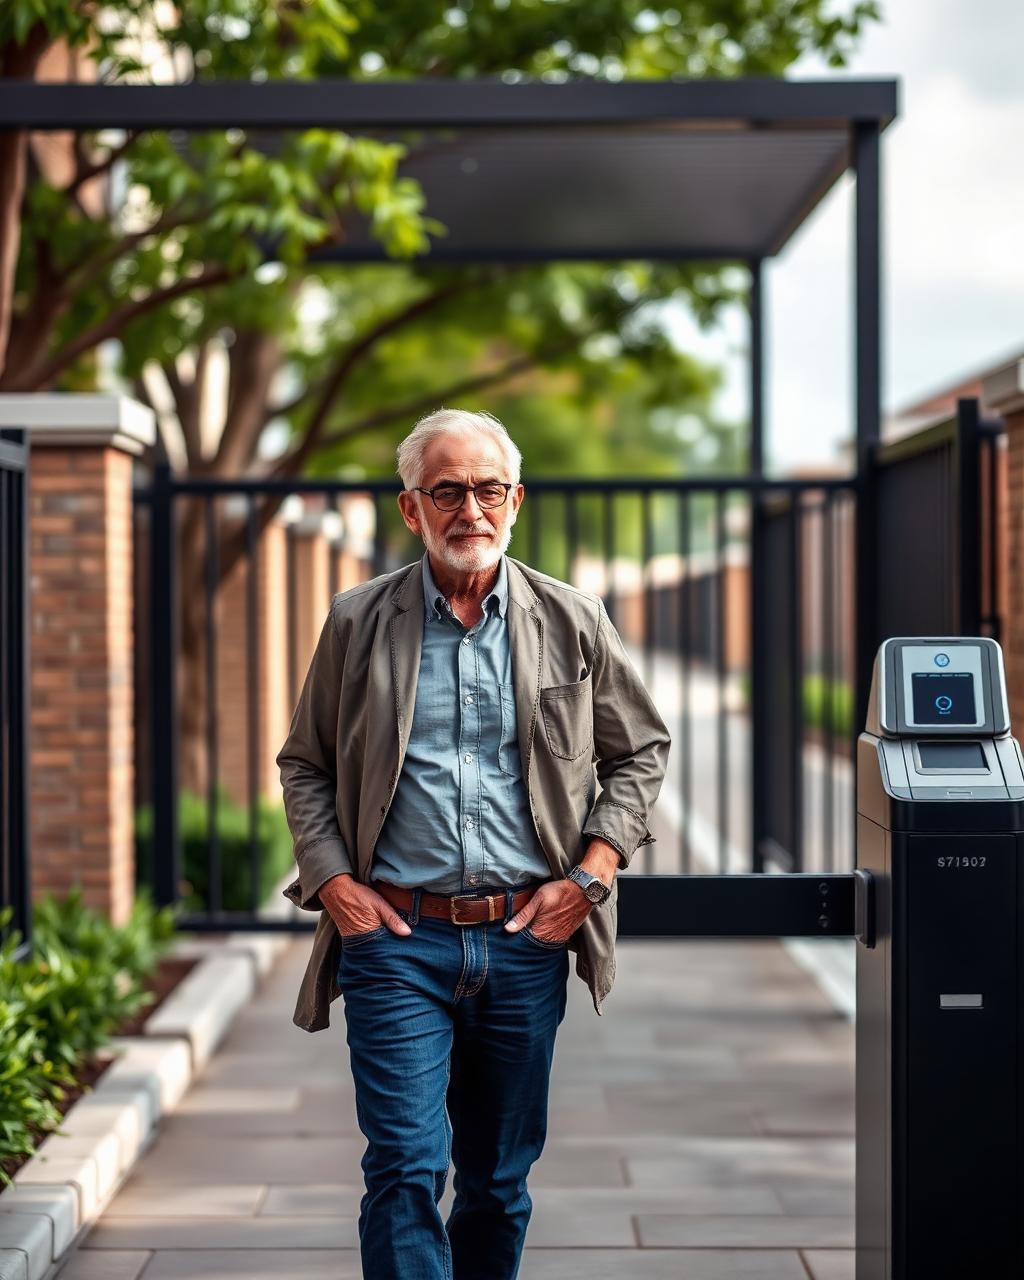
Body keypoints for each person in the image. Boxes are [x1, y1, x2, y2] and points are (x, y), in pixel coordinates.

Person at [276, 406, 671, 1280]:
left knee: (497, 1180)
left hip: (526, 940)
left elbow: (641, 750)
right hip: (396, 942)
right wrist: (336, 883)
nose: (471, 510)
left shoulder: (573, 621)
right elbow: (303, 763)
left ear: (516, 499)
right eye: (447, 490)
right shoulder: (356, 622)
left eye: (488, 488)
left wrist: (590, 876)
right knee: (406, 1169)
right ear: (411, 508)